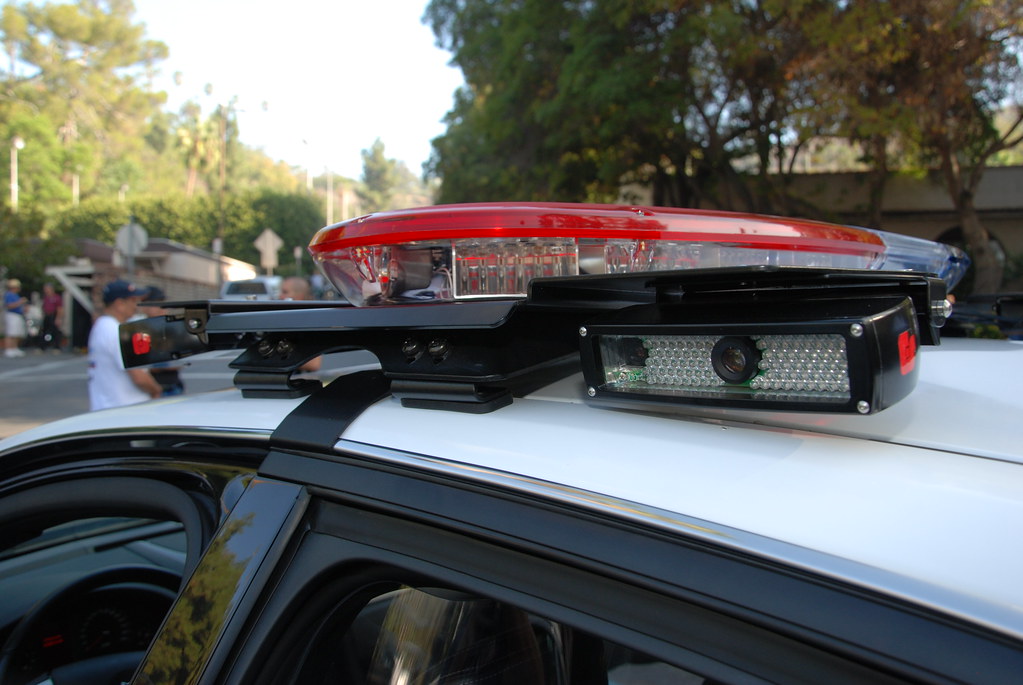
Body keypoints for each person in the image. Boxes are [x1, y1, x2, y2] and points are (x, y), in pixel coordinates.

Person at [88, 279, 163, 411]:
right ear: (120, 304)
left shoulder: (102, 326)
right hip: (124, 410)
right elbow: (139, 377)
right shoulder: (117, 332)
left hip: (108, 407)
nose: (136, 306)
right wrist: (156, 390)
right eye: (133, 301)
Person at [139, 286, 185, 396]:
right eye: (156, 303)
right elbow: (143, 364)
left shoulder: (171, 327)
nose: (161, 308)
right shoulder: (141, 330)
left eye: (163, 302)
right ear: (144, 306)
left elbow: (182, 359)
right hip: (152, 388)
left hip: (173, 386)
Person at [279, 276, 322, 372]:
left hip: (300, 381)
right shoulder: (288, 319)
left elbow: (313, 364)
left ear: (300, 296)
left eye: (285, 292)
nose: (280, 296)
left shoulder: (309, 321)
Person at [3, 279, 28, 358]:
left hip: (18, 315)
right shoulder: (9, 295)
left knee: (17, 333)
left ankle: (14, 348)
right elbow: (9, 305)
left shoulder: (15, 295)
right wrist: (20, 302)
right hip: (12, 315)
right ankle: (8, 349)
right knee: (11, 333)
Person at [40, 282, 64, 351]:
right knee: (44, 331)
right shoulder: (45, 298)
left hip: (53, 315)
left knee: (55, 331)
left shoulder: (56, 297)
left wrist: (58, 318)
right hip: (47, 315)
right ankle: (42, 347)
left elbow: (59, 308)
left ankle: (56, 347)